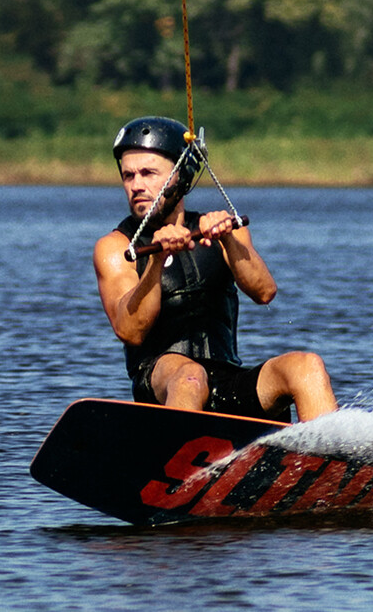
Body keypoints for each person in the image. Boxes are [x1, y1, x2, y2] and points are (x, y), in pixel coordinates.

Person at [93, 116, 337, 423]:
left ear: (181, 177)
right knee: (190, 377)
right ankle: (175, 455)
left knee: (306, 366)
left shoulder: (222, 230)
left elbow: (264, 293)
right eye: (128, 176)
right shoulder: (116, 248)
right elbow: (131, 331)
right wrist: (156, 261)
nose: (137, 185)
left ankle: (329, 458)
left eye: (148, 173)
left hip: (226, 379)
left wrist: (228, 241)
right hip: (164, 386)